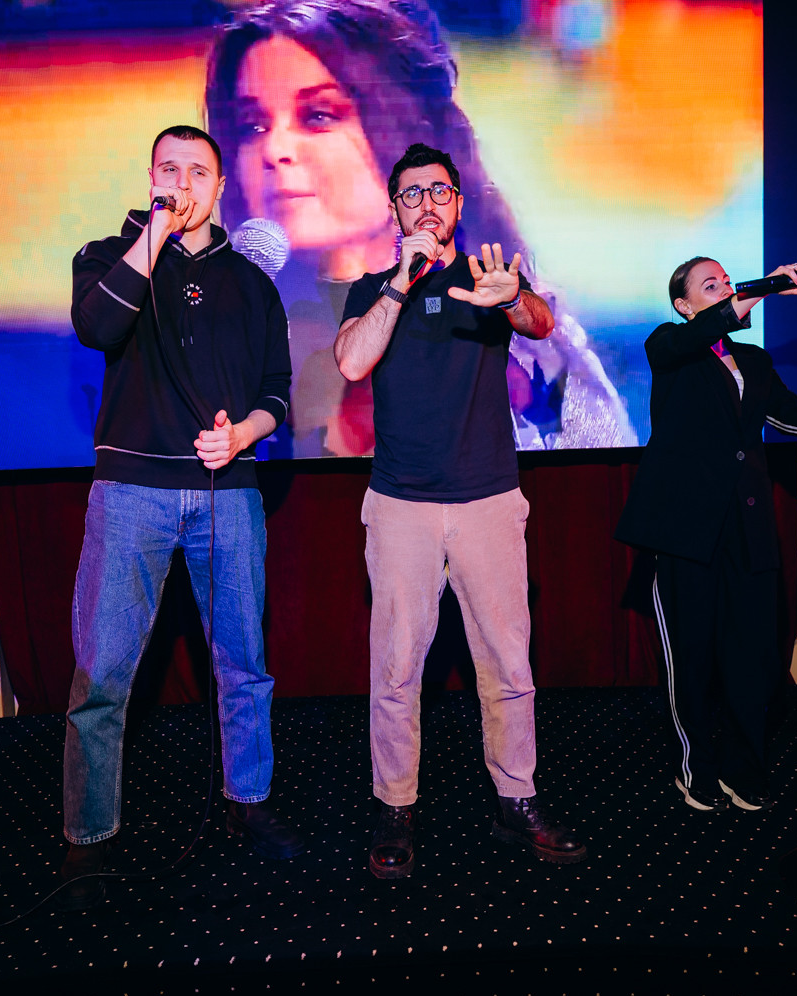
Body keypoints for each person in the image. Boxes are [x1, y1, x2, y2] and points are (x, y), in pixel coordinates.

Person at [204, 0, 634, 458]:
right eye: (253, 126)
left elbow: (595, 481)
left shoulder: (509, 329)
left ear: (405, 133)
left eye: (319, 115)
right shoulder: (226, 329)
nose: (274, 149)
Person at [61, 125, 302, 909]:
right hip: (130, 492)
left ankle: (248, 801)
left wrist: (244, 435)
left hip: (229, 492)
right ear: (151, 176)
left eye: (199, 171)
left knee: (243, 661)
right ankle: (89, 836)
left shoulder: (252, 283)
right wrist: (153, 235)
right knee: (103, 673)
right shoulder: (109, 255)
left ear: (221, 186)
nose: (185, 182)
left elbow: (277, 391)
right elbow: (98, 327)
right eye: (171, 169)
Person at [334, 142, 589, 878]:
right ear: (394, 208)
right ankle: (395, 806)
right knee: (396, 668)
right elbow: (352, 361)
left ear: (458, 202)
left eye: (438, 191)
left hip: (487, 499)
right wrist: (399, 282)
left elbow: (540, 324)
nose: (426, 204)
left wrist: (509, 298)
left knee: (508, 661)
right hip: (400, 504)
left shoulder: (488, 276)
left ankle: (517, 799)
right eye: (411, 194)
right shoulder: (373, 289)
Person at [615, 256, 797, 812]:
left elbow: (791, 417)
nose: (724, 289)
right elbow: (695, 336)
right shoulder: (669, 345)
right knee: (691, 658)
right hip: (683, 532)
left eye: (726, 281)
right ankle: (696, 770)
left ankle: (743, 768)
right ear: (684, 305)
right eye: (710, 285)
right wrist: (767, 287)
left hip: (746, 531)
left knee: (750, 659)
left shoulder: (755, 360)